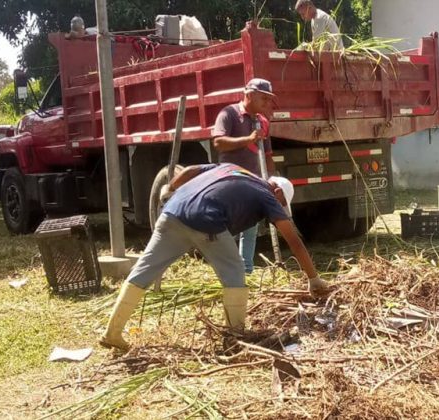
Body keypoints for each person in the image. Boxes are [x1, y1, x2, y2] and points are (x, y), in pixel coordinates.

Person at [100, 163, 330, 351]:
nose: (279, 208)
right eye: (282, 204)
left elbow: (189, 170)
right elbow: (293, 239)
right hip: (206, 220)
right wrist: (313, 278)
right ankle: (235, 339)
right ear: (278, 192)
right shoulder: (267, 194)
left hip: (171, 212)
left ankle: (112, 333)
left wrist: (168, 189)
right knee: (235, 272)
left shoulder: (231, 168)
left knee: (144, 270)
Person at [212, 78, 276, 274]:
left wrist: (271, 179)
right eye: (263, 98)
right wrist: (247, 140)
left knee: (250, 227)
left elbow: (267, 154)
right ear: (248, 95)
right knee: (227, 226)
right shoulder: (229, 114)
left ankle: (245, 270)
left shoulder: (263, 121)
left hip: (253, 181)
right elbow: (219, 143)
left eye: (269, 99)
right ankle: (225, 267)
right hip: (230, 179)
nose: (267, 103)